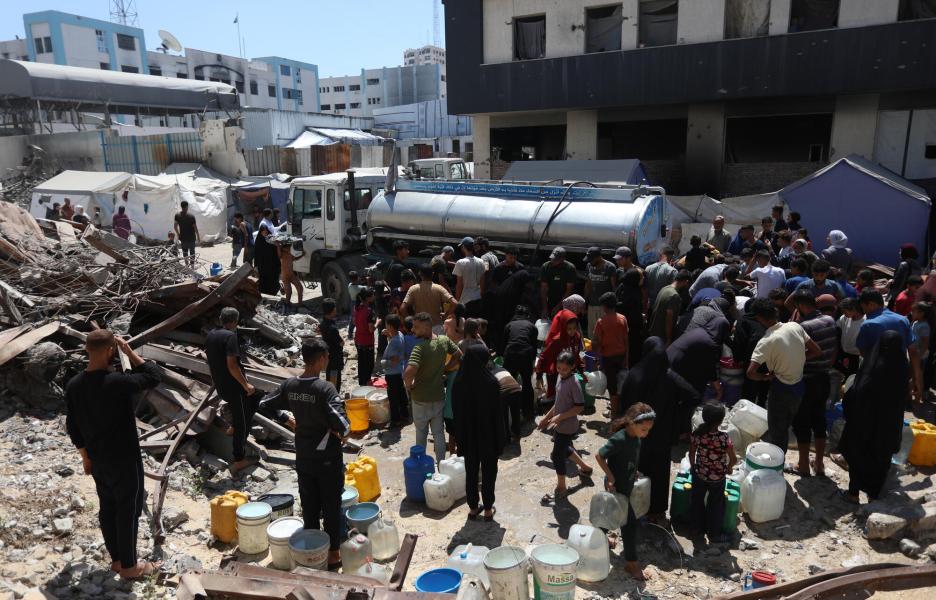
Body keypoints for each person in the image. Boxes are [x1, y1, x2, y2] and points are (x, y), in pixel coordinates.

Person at [65, 330, 160, 580]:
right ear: (110, 351)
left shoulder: (73, 385)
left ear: (86, 349)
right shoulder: (118, 382)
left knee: (108, 507)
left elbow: (72, 425)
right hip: (125, 459)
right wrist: (129, 351)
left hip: (97, 459)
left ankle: (117, 560)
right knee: (129, 508)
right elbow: (153, 376)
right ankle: (130, 567)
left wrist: (85, 457)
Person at [259, 339, 348, 570]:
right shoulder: (324, 388)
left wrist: (287, 419)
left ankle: (311, 552)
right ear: (320, 359)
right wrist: (339, 430)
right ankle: (333, 555)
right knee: (330, 504)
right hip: (327, 459)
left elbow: (264, 403)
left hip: (304, 457)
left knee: (309, 504)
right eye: (326, 357)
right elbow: (344, 426)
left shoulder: (291, 385)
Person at [620, 338, 698, 519]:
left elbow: (624, 405)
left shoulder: (635, 375)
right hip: (662, 433)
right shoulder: (669, 376)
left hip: (637, 433)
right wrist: (675, 414)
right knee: (660, 472)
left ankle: (635, 509)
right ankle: (656, 510)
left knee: (637, 469)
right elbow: (693, 396)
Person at [838, 331, 907, 504]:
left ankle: (853, 494)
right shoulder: (902, 367)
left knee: (858, 453)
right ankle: (873, 496)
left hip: (864, 422)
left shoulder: (872, 364)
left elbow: (857, 391)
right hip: (888, 424)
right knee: (880, 459)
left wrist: (848, 406)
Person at [746, 299, 822, 454]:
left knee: (777, 430)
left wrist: (765, 377)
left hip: (780, 388)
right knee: (787, 424)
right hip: (799, 386)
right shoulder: (795, 326)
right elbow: (817, 351)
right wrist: (797, 358)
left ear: (759, 318)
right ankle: (779, 456)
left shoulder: (766, 341)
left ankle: (776, 465)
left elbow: (750, 373)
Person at [595, 403, 656, 581]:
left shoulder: (636, 438)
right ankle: (631, 563)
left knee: (610, 514)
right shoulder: (620, 439)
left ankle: (596, 540)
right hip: (616, 486)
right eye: (644, 429)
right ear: (631, 423)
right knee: (629, 525)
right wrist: (610, 477)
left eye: (648, 430)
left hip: (627, 484)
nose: (646, 433)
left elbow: (632, 456)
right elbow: (599, 456)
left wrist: (634, 470)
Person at [453, 343, 508, 520]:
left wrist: (457, 436)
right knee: (489, 472)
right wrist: (501, 439)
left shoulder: (459, 381)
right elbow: (498, 415)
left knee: (471, 472)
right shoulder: (491, 383)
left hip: (468, 437)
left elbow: (456, 413)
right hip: (488, 436)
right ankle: (488, 509)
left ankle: (473, 508)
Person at [205, 307, 260, 474]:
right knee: (244, 423)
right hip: (235, 387)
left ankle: (234, 425)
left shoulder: (211, 334)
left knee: (252, 402)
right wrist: (246, 385)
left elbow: (210, 360)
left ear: (221, 318)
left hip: (222, 385)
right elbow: (232, 365)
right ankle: (239, 459)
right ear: (235, 321)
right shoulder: (230, 337)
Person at [789, 292, 837, 477]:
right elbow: (834, 350)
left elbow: (799, 354)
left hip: (807, 379)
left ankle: (802, 465)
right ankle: (819, 464)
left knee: (802, 421)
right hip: (823, 378)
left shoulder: (803, 327)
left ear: (801, 305)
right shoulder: (830, 321)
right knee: (819, 420)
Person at [405, 312, 462, 464]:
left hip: (420, 399)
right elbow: (459, 354)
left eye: (416, 327)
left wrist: (408, 386)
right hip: (438, 397)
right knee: (438, 434)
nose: (413, 330)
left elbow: (408, 372)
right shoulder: (444, 341)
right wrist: (446, 368)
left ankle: (421, 464)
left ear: (426, 327)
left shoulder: (419, 348)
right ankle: (441, 465)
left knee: (421, 433)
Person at [539, 351, 594, 501]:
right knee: (564, 449)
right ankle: (585, 468)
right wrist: (546, 418)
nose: (561, 372)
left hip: (568, 425)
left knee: (557, 455)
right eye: (559, 368)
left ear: (572, 367)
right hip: (559, 424)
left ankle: (561, 487)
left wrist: (560, 417)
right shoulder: (560, 377)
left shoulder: (574, 382)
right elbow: (558, 402)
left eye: (565, 369)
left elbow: (579, 407)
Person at [856, 289, 922, 402]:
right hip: (900, 371)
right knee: (895, 406)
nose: (863, 311)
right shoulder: (903, 320)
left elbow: (863, 352)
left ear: (871, 304)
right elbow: (913, 350)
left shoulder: (868, 324)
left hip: (876, 374)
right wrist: (917, 377)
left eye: (863, 307)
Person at [689, 402, 736, 543]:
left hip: (700, 475)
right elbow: (733, 458)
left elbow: (691, 454)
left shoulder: (697, 435)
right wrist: (729, 467)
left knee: (697, 502)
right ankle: (714, 534)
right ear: (721, 420)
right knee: (715, 504)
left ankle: (695, 530)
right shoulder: (724, 438)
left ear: (704, 417)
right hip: (717, 478)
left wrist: (694, 467)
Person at [592, 292, 629, 416]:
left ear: (605, 306)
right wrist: (627, 359)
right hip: (621, 356)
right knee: (620, 384)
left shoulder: (601, 322)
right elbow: (626, 340)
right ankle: (618, 408)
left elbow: (596, 342)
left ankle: (613, 414)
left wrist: (597, 359)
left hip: (608, 358)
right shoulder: (622, 318)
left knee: (612, 387)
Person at [537, 308, 584, 401]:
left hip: (570, 373)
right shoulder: (557, 340)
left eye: (574, 328)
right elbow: (544, 356)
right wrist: (539, 375)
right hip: (556, 373)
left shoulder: (577, 337)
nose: (572, 331)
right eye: (569, 329)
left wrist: (581, 369)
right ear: (563, 326)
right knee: (556, 399)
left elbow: (576, 354)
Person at [501, 305, 538, 420]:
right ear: (527, 315)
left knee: (509, 384)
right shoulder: (532, 326)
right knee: (527, 382)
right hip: (525, 355)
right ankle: (529, 413)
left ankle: (508, 412)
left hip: (510, 354)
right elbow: (534, 347)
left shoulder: (509, 325)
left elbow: (504, 344)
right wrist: (532, 362)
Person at [402, 265, 455, 330]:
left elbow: (402, 308)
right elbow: (455, 304)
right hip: (437, 327)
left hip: (420, 328)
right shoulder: (439, 288)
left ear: (420, 274)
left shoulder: (413, 289)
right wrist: (445, 316)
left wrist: (411, 323)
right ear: (433, 274)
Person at [649, 270, 691, 346]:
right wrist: (669, 339)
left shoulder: (665, 288)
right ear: (686, 282)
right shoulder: (674, 296)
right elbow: (669, 320)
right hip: (661, 336)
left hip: (653, 331)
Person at [615, 268, 646, 367]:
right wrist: (640, 316)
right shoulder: (634, 291)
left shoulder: (622, 287)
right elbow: (630, 308)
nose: (643, 278)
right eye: (641, 277)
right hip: (632, 328)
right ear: (635, 278)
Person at [584, 247, 617, 337]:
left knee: (604, 332)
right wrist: (585, 301)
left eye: (592, 259)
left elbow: (614, 287)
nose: (590, 262)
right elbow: (588, 284)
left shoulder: (610, 267)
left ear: (598, 257)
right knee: (592, 332)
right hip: (592, 304)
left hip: (605, 307)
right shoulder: (589, 266)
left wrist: (613, 306)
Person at [382, 314, 409, 426]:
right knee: (401, 394)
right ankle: (405, 415)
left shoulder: (394, 342)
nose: (386, 326)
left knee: (393, 398)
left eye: (387, 324)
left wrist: (383, 362)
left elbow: (394, 360)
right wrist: (388, 335)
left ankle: (395, 420)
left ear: (391, 326)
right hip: (399, 371)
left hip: (392, 373)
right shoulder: (400, 334)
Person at [540, 246, 577, 318]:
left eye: (556, 260)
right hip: (551, 300)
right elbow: (543, 288)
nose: (553, 261)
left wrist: (558, 307)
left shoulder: (570, 268)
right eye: (552, 258)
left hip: (566, 301)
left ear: (563, 259)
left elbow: (569, 290)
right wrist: (545, 308)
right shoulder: (545, 267)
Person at [454, 237, 486, 317]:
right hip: (477, 299)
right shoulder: (481, 261)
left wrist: (457, 301)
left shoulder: (460, 263)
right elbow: (482, 283)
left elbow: (459, 285)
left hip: (465, 301)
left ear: (464, 247)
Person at [254, 208, 281, 295]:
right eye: (264, 232)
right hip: (263, 264)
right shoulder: (259, 243)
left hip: (271, 262)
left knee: (273, 276)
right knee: (265, 277)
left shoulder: (270, 241)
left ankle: (274, 291)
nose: (265, 234)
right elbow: (256, 255)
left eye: (266, 232)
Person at [353, 288, 377, 386]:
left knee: (361, 363)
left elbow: (355, 322)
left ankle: (361, 384)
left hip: (358, 339)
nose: (374, 296)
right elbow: (371, 329)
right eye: (372, 295)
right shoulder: (369, 311)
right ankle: (366, 385)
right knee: (369, 365)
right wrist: (378, 322)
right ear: (368, 298)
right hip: (367, 341)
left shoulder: (357, 308)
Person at [320, 298, 344, 393]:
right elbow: (341, 342)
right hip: (335, 359)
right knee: (334, 385)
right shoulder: (332, 328)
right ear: (333, 310)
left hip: (328, 357)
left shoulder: (323, 323)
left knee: (330, 379)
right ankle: (333, 401)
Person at [837, 297, 864, 376]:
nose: (844, 313)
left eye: (845, 311)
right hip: (844, 353)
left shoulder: (865, 321)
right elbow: (837, 326)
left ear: (853, 309)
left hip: (856, 356)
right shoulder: (844, 318)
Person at [910, 301, 932, 391]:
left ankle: (918, 400)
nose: (911, 313)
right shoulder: (916, 322)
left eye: (913, 311)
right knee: (914, 376)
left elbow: (926, 343)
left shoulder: (924, 326)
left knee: (918, 377)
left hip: (920, 356)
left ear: (922, 313)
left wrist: (919, 356)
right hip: (915, 354)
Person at [278, 241, 305, 312]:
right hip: (285, 277)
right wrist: (277, 245)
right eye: (288, 247)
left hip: (291, 275)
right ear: (284, 248)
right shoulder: (282, 255)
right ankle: (287, 305)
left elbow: (295, 258)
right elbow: (278, 253)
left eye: (290, 247)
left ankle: (300, 303)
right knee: (289, 292)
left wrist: (302, 255)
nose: (290, 248)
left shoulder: (289, 254)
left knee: (300, 288)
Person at [174, 200, 199, 268]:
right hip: (191, 238)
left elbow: (175, 226)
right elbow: (195, 228)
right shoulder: (191, 216)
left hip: (183, 237)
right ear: (187, 206)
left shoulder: (177, 215)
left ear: (181, 206)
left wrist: (178, 234)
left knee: (185, 252)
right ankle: (192, 266)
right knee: (192, 252)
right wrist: (198, 237)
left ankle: (187, 265)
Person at [347, 271, 363, 337]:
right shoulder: (359, 288)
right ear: (357, 278)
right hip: (358, 303)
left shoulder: (349, 285)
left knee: (352, 318)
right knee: (360, 317)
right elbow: (367, 288)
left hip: (352, 302)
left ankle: (350, 333)